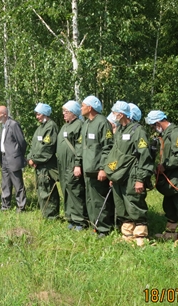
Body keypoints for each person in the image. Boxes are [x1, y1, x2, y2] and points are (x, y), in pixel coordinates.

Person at [105, 101, 154, 246]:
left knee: (134, 203)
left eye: (114, 113)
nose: (113, 116)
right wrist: (112, 174)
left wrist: (140, 179)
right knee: (121, 205)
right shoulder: (120, 130)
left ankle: (140, 236)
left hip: (133, 174)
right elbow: (115, 154)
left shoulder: (138, 131)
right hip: (119, 175)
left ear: (121, 114)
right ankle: (127, 234)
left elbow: (144, 156)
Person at [146, 110, 178, 244]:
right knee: (169, 205)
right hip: (170, 177)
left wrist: (165, 166)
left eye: (152, 126)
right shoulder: (166, 134)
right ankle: (170, 233)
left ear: (158, 123)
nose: (153, 129)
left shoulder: (175, 133)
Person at [76, 95, 114, 238]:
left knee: (99, 199)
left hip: (97, 169)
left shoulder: (102, 123)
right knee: (90, 199)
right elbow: (80, 145)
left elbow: (108, 147)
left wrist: (104, 168)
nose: (81, 108)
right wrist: (77, 164)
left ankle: (104, 228)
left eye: (83, 105)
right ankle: (95, 225)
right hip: (87, 169)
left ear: (90, 107)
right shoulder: (85, 123)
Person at [57, 101, 88, 231]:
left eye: (67, 112)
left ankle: (80, 220)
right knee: (66, 190)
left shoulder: (79, 125)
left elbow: (80, 147)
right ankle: (70, 217)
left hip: (72, 164)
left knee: (76, 191)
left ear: (74, 113)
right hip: (63, 165)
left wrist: (77, 164)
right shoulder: (65, 126)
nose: (64, 114)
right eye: (63, 111)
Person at [27, 103, 60, 219]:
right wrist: (30, 158)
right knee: (41, 190)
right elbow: (34, 146)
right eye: (36, 114)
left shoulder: (51, 127)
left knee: (47, 189)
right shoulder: (40, 128)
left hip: (47, 166)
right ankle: (45, 214)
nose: (37, 117)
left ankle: (51, 216)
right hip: (39, 166)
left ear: (45, 114)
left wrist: (35, 159)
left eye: (39, 114)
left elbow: (47, 148)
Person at [0, 106, 27, 212]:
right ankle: (5, 206)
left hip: (13, 158)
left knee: (18, 184)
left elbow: (21, 142)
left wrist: (18, 155)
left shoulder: (13, 124)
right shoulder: (3, 126)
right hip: (4, 158)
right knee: (5, 183)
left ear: (4, 114)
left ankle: (21, 207)